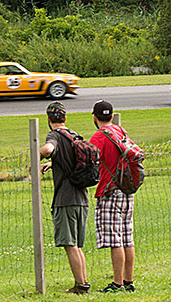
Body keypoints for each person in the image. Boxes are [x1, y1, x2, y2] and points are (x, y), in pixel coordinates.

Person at [38, 102, 90, 294]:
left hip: (65, 199)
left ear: (49, 119)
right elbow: (71, 159)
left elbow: (48, 149)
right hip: (82, 198)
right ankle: (83, 281)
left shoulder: (54, 135)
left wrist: (37, 158)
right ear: (65, 118)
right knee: (78, 244)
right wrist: (53, 165)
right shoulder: (75, 135)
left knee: (70, 244)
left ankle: (81, 286)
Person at [88, 100, 137, 293]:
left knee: (115, 239)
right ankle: (128, 280)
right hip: (126, 188)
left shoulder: (99, 137)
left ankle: (117, 283)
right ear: (111, 115)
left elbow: (87, 159)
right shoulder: (120, 130)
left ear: (94, 116)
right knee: (127, 237)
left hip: (109, 190)